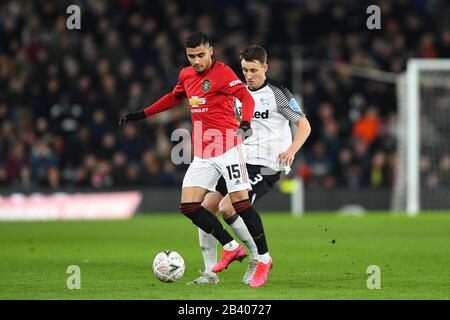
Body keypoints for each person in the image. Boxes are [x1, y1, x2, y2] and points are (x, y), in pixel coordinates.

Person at [119, 32, 273, 287]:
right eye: (191, 56)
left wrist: (245, 123)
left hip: (228, 148)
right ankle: (231, 246)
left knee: (241, 205)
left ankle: (264, 258)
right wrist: (143, 114)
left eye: (201, 55)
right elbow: (174, 97)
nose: (196, 61)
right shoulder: (186, 75)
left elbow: (245, 97)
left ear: (210, 51)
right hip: (203, 154)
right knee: (189, 206)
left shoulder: (223, 73)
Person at [187, 45, 311, 285]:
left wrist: (291, 151)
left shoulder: (278, 94)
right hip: (239, 159)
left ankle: (258, 258)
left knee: (228, 207)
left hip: (266, 165)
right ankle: (210, 273)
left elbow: (304, 125)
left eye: (254, 70)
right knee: (205, 208)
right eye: (245, 70)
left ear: (265, 67)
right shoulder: (237, 93)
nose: (249, 75)